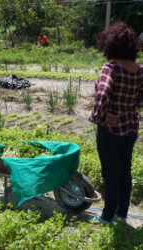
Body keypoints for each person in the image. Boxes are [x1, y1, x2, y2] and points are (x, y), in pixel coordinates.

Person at [89, 22, 142, 225]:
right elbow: (141, 98)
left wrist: (101, 116)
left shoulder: (110, 68)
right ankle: (122, 213)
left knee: (110, 173)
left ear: (109, 45)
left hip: (111, 130)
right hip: (130, 127)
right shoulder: (139, 70)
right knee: (124, 170)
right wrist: (131, 108)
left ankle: (107, 216)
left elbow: (102, 95)